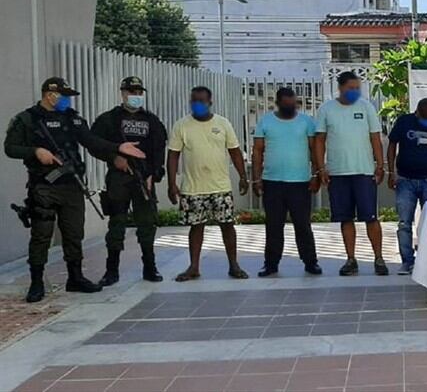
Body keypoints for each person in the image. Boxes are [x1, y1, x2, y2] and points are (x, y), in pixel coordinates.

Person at [5, 77, 146, 303]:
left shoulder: (72, 119)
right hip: (44, 186)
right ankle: (37, 282)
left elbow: (91, 141)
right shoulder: (27, 119)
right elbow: (10, 148)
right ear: (50, 95)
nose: (67, 100)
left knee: (73, 234)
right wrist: (35, 151)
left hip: (72, 185)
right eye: (64, 95)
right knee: (41, 235)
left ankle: (75, 277)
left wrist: (118, 147)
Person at [167, 86, 249, 282]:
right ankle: (194, 267)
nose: (198, 104)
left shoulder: (223, 123)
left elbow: (235, 151)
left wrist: (243, 176)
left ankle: (234, 265)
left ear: (210, 103)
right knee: (196, 227)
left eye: (202, 101)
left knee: (227, 225)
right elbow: (173, 155)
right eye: (194, 101)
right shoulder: (181, 125)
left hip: (220, 186)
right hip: (193, 189)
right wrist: (172, 184)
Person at [91, 76, 166, 287]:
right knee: (116, 224)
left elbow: (159, 149)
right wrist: (114, 157)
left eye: (138, 92)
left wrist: (154, 174)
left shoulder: (151, 120)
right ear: (122, 93)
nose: (135, 96)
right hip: (119, 178)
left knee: (147, 224)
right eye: (131, 92)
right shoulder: (110, 119)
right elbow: (94, 143)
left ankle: (150, 267)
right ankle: (111, 270)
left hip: (144, 178)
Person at [315, 71, 388, 276]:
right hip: (338, 173)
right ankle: (350, 259)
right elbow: (319, 140)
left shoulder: (366, 107)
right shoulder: (326, 109)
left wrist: (380, 164)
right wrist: (321, 168)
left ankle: (379, 259)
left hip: (364, 172)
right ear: (340, 88)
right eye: (351, 88)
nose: (355, 91)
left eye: (358, 88)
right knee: (346, 218)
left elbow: (375, 138)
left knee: (371, 217)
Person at [252, 87, 322, 277]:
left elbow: (314, 149)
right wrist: (256, 179)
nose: (290, 106)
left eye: (293, 102)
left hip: (300, 182)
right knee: (273, 225)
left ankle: (310, 262)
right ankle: (271, 264)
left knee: (303, 225)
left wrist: (316, 175)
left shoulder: (306, 122)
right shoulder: (266, 121)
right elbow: (257, 151)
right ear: (278, 102)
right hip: (272, 182)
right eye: (286, 103)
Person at [387, 98, 427, 275]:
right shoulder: (404, 122)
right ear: (417, 113)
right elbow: (392, 145)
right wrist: (391, 172)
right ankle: (407, 261)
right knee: (405, 222)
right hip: (405, 180)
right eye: (425, 118)